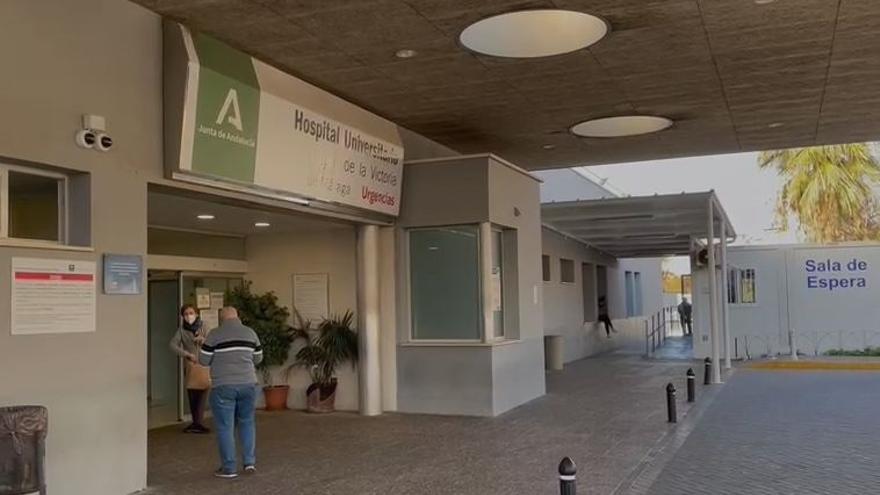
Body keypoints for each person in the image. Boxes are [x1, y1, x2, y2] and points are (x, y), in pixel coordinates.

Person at [199, 307, 263, 479]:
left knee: (225, 427)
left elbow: (203, 360)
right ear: (238, 317)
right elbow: (258, 358)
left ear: (221, 319)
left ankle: (229, 468)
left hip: (223, 386)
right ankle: (249, 463)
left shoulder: (215, 334)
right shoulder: (250, 333)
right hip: (248, 384)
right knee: (247, 422)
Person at [169, 304, 211, 434]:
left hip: (204, 363)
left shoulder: (204, 326)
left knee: (203, 391)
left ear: (197, 314)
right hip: (190, 365)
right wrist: (186, 354)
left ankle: (198, 421)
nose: (189, 316)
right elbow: (172, 345)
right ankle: (195, 422)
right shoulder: (182, 330)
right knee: (192, 392)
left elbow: (212, 342)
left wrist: (203, 340)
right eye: (186, 314)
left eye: (191, 313)